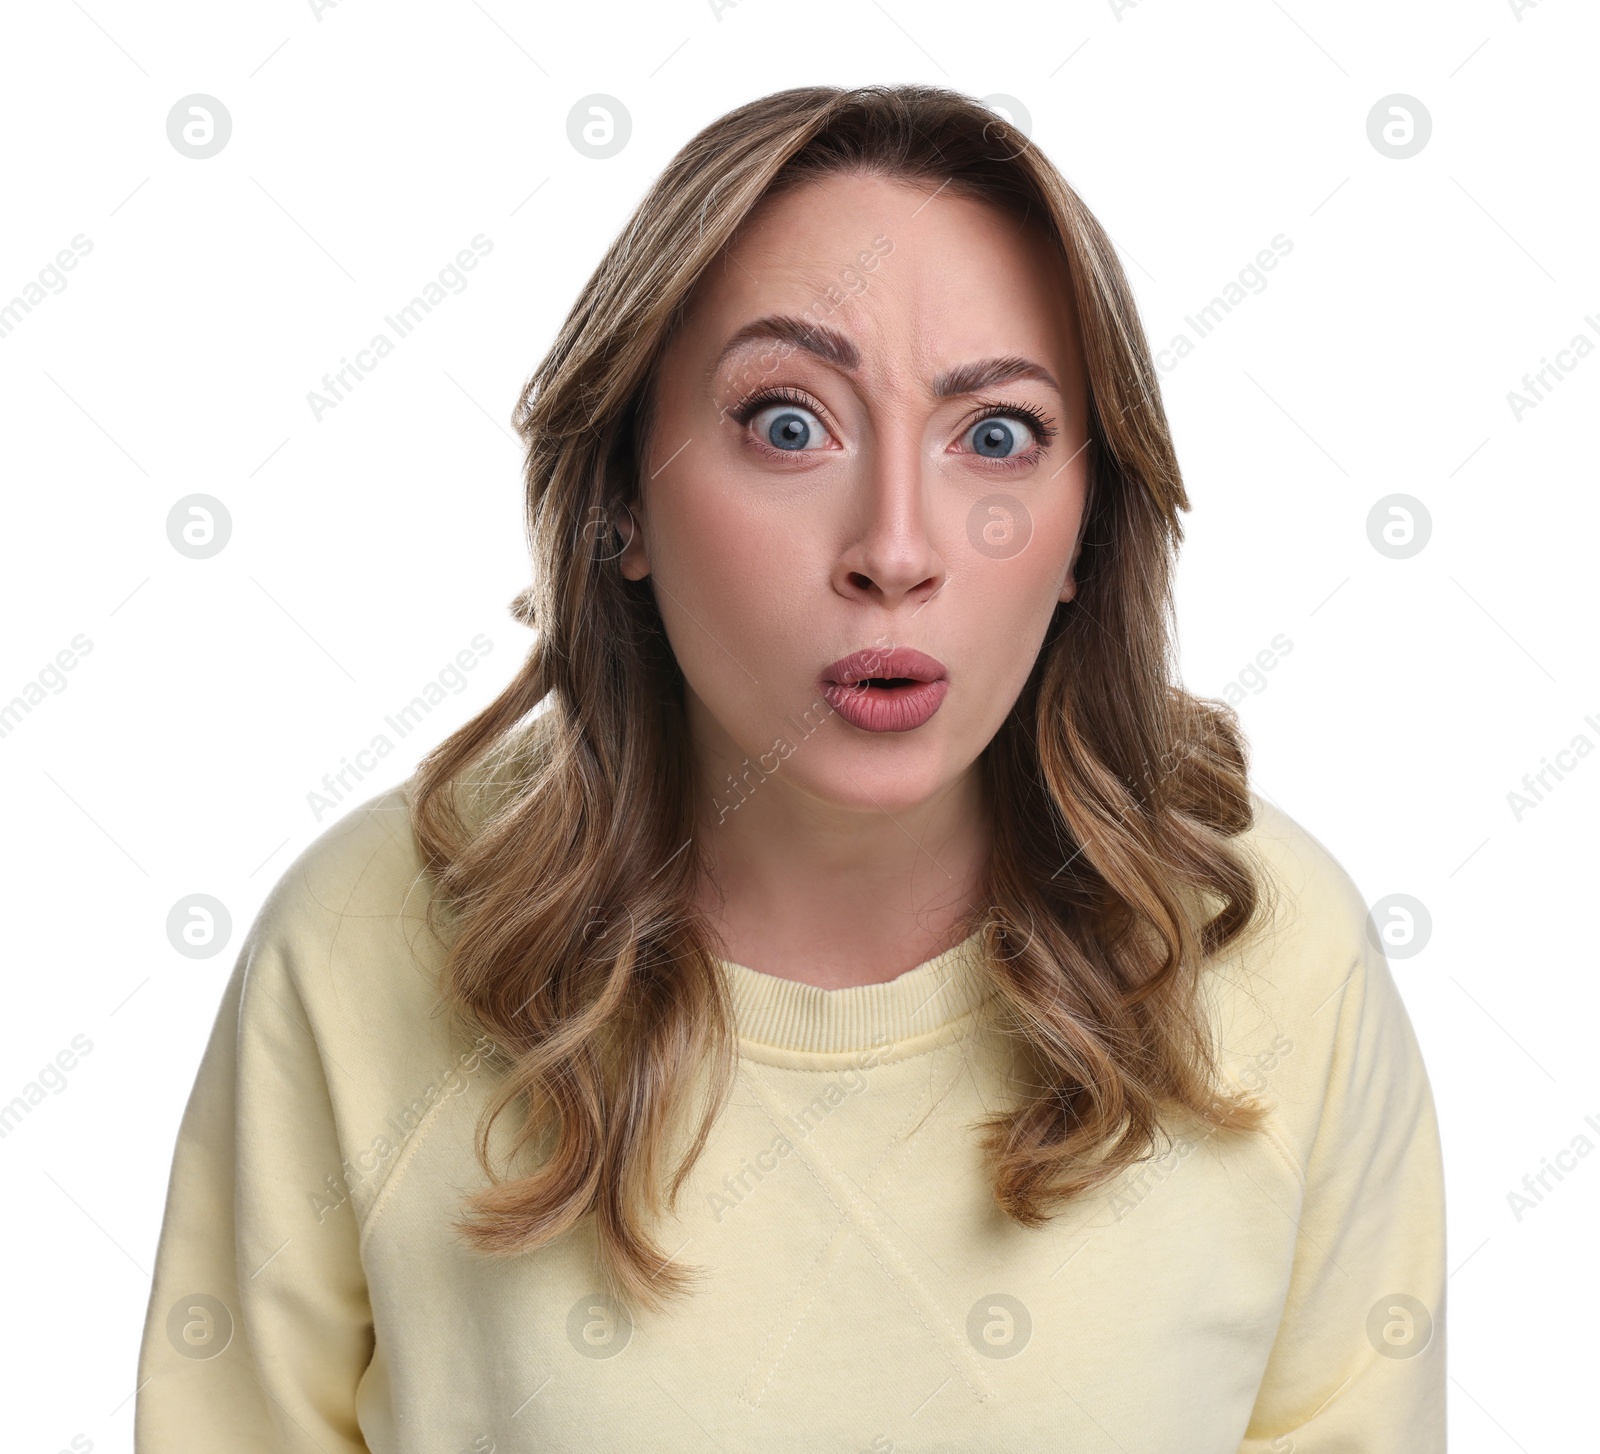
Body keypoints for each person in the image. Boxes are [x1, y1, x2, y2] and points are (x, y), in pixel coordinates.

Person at [135, 84, 1446, 1452]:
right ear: (624, 500)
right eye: (787, 422)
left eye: (994, 434)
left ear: (1083, 536)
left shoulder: (1282, 961)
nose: (893, 547)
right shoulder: (356, 948)